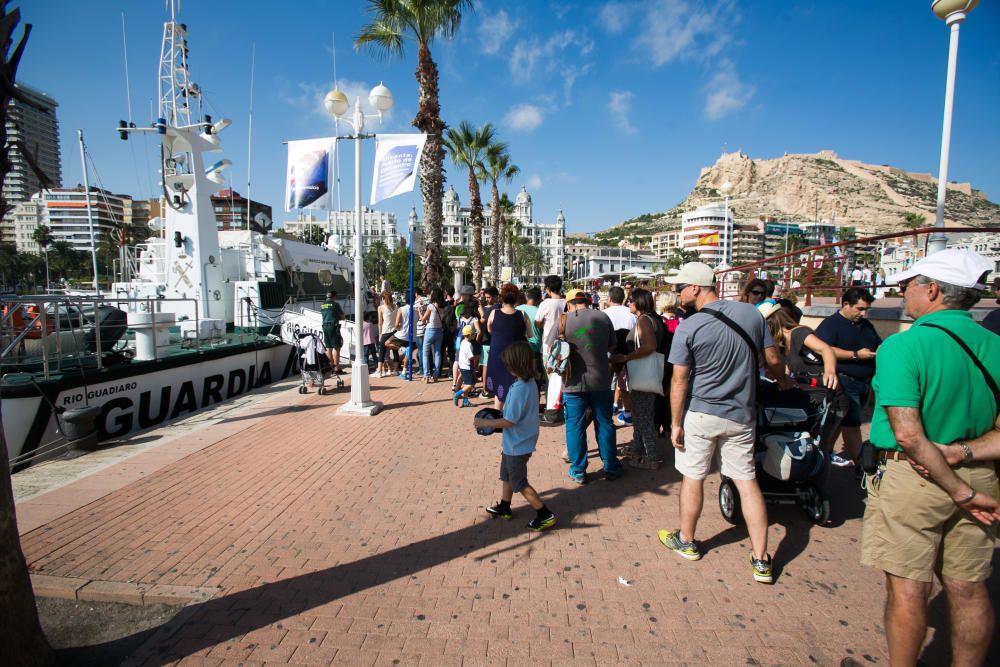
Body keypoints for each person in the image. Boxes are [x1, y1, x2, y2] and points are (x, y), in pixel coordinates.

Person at [860, 248, 1000, 667]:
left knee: (907, 588)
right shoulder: (995, 345)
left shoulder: (904, 347)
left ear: (933, 290)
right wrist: (963, 454)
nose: (903, 293)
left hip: (915, 481)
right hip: (982, 477)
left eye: (908, 285)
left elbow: (908, 434)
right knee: (970, 588)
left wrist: (958, 491)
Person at [659, 262, 790, 584]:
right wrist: (783, 382)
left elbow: (679, 381)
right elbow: (773, 361)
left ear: (695, 288)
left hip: (702, 413)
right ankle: (761, 559)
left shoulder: (689, 327)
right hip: (741, 414)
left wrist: (676, 423)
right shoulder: (751, 315)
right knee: (747, 482)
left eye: (679, 287)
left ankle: (687, 541)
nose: (676, 293)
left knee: (694, 476)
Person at [477, 340, 557, 532]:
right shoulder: (527, 382)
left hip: (518, 444)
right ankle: (505, 506)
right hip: (516, 442)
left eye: (509, 365)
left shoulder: (521, 388)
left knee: (519, 481)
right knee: (506, 474)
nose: (507, 368)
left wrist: (485, 423)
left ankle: (544, 514)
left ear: (516, 365)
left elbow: (510, 421)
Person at [560, 288, 624, 484]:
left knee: (574, 425)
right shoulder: (603, 317)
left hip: (573, 381)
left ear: (570, 303)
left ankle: (578, 470)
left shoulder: (564, 320)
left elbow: (555, 349)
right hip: (600, 379)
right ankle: (611, 466)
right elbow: (611, 346)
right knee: (604, 423)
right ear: (588, 301)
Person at [815, 288, 882, 466]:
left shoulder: (866, 325)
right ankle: (862, 465)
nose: (863, 313)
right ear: (846, 305)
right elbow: (824, 349)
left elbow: (879, 344)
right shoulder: (831, 324)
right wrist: (855, 355)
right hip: (844, 381)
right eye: (859, 309)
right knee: (852, 425)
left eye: (866, 309)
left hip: (864, 383)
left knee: (838, 424)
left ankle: (824, 455)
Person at [611, 288, 667, 469]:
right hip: (648, 375)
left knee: (643, 417)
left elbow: (649, 346)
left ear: (639, 303)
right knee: (641, 414)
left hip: (643, 374)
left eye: (631, 301)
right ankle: (637, 451)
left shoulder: (643, 320)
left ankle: (651, 458)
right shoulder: (653, 319)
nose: (628, 303)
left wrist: (627, 357)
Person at [485, 284, 531, 406]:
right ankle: (513, 417)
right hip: (516, 356)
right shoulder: (522, 314)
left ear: (501, 298)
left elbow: (490, 330)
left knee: (499, 390)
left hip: (497, 355)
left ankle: (497, 418)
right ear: (516, 298)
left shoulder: (494, 313)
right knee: (515, 386)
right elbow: (530, 334)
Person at [535, 275, 566, 426]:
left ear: (547, 289)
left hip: (549, 346)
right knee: (563, 379)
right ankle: (562, 409)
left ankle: (551, 411)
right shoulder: (566, 302)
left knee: (550, 380)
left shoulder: (546, 304)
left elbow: (538, 322)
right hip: (565, 346)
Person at [604, 286, 637, 426]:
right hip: (628, 353)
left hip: (609, 352)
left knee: (608, 383)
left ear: (609, 298)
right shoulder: (632, 314)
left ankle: (608, 410)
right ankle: (628, 412)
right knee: (625, 383)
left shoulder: (604, 314)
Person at [419, 287, 446, 383]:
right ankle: (435, 375)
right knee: (437, 353)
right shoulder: (443, 306)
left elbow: (423, 319)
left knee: (425, 353)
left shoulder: (431, 306)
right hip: (439, 331)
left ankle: (426, 376)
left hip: (430, 330)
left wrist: (419, 311)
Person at [517, 287, 543, 378]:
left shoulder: (517, 309)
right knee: (536, 378)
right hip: (536, 348)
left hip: (520, 347)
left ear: (526, 297)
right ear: (539, 299)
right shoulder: (540, 312)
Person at [453, 325, 479, 408]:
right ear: (470, 335)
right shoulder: (468, 345)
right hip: (467, 367)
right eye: (473, 334)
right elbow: (470, 357)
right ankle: (457, 394)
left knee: (467, 384)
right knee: (470, 385)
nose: (475, 335)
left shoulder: (463, 342)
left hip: (463, 366)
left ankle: (465, 401)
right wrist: (477, 357)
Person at [320, 290, 345, 373]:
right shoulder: (335, 305)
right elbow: (342, 317)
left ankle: (331, 366)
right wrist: (338, 317)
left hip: (325, 327)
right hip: (333, 327)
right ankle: (337, 368)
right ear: (334, 297)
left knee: (329, 348)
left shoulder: (322, 305)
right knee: (337, 347)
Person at [480, 286, 500, 387]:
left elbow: (482, 320)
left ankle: (485, 388)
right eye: (486, 297)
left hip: (488, 340)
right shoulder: (501, 307)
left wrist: (480, 310)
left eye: (489, 297)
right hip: (495, 340)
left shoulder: (492, 308)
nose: (487, 299)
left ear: (496, 296)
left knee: (486, 365)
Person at [376, 291, 398, 377]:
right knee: (395, 351)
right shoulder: (396, 306)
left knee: (382, 351)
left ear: (383, 298)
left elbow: (380, 322)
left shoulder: (380, 308)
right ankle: (395, 370)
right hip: (394, 331)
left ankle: (379, 371)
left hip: (385, 331)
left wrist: (380, 333)